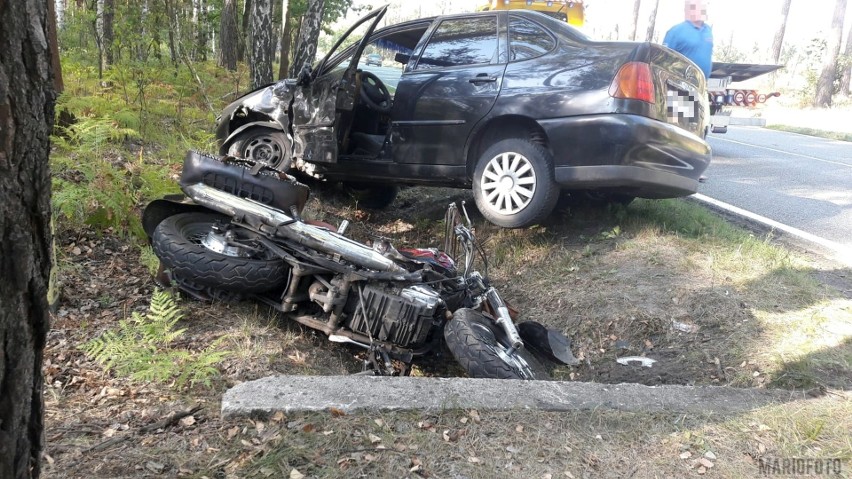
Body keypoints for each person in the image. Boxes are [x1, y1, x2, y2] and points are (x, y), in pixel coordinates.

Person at [662, 0, 714, 79]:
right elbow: (664, 59)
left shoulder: (708, 30)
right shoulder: (676, 31)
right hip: (681, 85)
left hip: (702, 84)